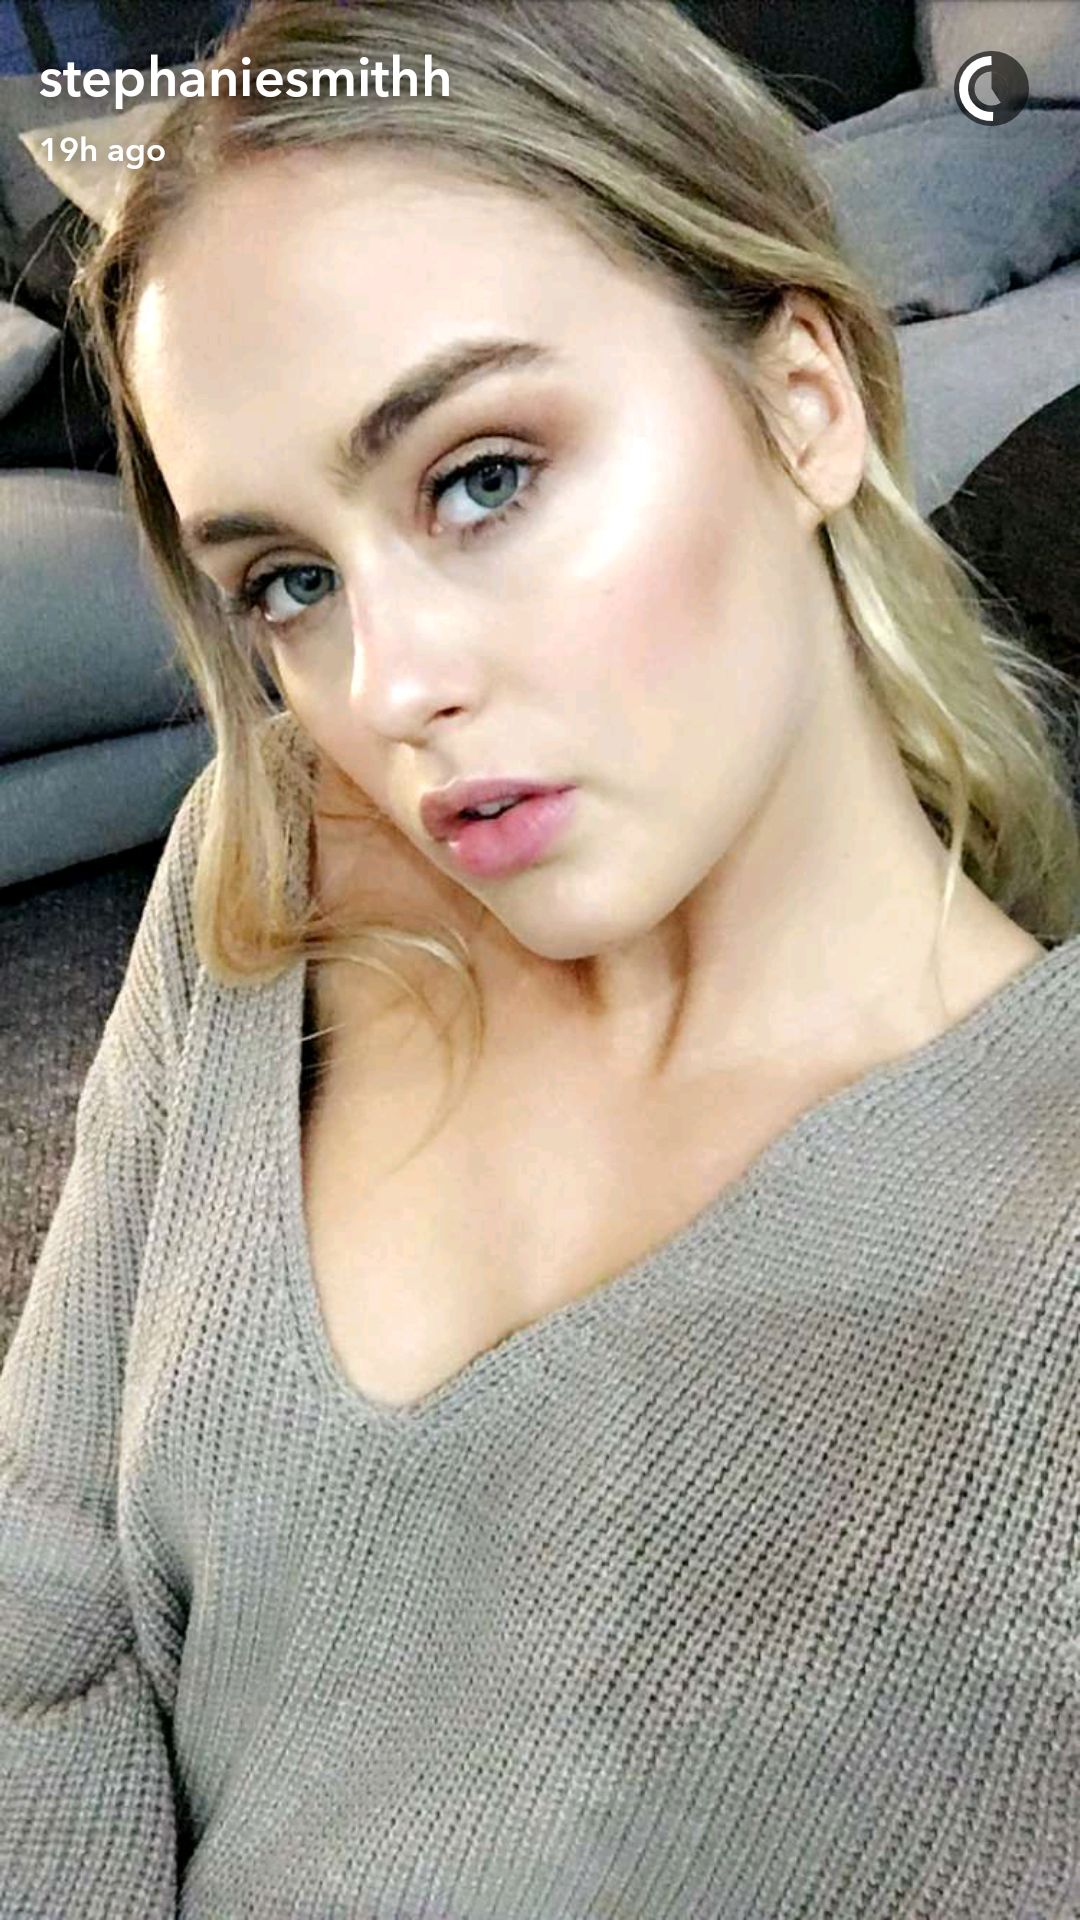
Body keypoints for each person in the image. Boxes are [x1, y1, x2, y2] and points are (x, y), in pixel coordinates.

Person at [3, 2, 1079, 1914]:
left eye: (482, 475)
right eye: (289, 581)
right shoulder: (266, 866)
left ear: (804, 405)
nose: (388, 686)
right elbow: (36, 1608)